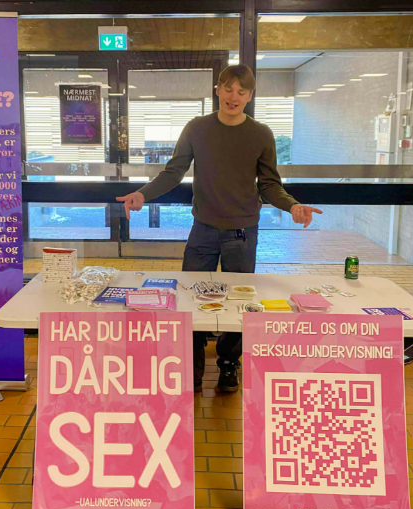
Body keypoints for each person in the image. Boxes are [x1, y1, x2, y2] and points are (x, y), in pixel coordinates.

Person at [117, 64, 322, 394]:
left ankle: (228, 361)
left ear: (250, 96)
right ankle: (192, 362)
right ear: (218, 89)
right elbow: (173, 172)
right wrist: (142, 194)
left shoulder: (261, 134)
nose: (234, 96)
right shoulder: (197, 128)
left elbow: (270, 184)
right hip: (203, 229)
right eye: (228, 89)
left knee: (240, 302)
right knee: (189, 297)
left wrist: (292, 206)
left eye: (242, 91)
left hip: (242, 232)